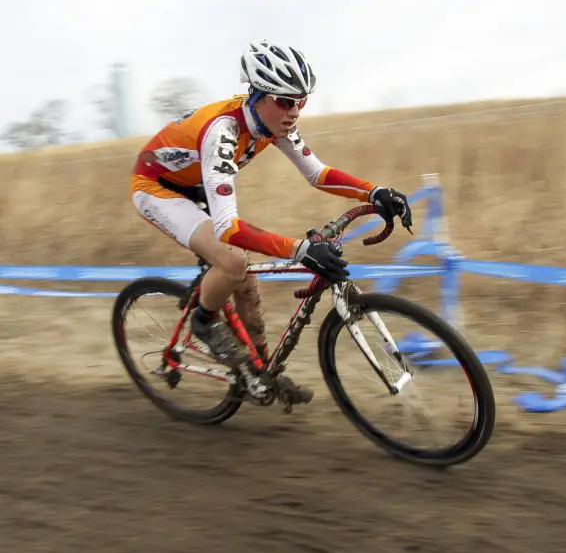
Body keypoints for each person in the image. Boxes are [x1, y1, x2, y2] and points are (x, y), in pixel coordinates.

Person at [129, 40, 413, 406]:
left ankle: (260, 371)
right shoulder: (224, 132)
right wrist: (301, 249)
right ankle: (203, 319)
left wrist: (374, 192)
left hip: (195, 181)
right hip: (156, 187)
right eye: (284, 100)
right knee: (232, 260)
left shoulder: (275, 123)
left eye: (301, 101)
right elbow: (228, 228)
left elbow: (318, 173)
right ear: (258, 95)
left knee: (245, 283)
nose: (294, 111)